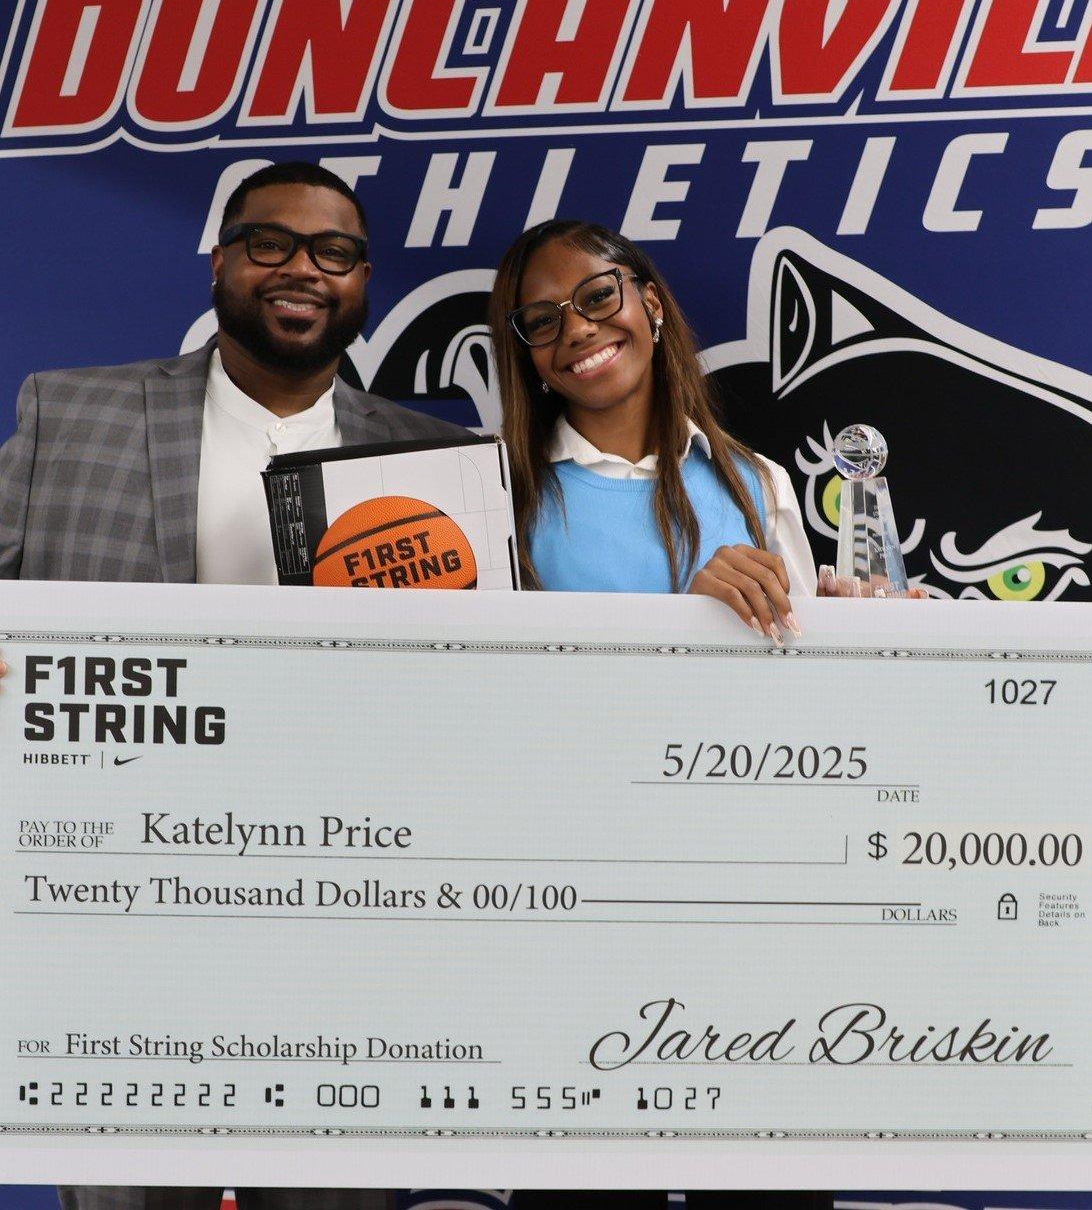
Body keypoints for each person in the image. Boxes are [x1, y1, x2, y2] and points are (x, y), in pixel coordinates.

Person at [0, 159, 472, 1210]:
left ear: (362, 284)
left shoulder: (436, 463)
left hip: (351, 926)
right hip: (121, 922)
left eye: (336, 253)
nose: (304, 269)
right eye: (272, 243)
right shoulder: (74, 416)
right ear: (221, 261)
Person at [488, 219, 820, 639]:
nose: (577, 329)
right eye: (541, 322)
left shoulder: (758, 483)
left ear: (653, 305)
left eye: (599, 295)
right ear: (526, 354)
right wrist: (691, 623)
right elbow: (490, 683)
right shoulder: (500, 500)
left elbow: (806, 674)